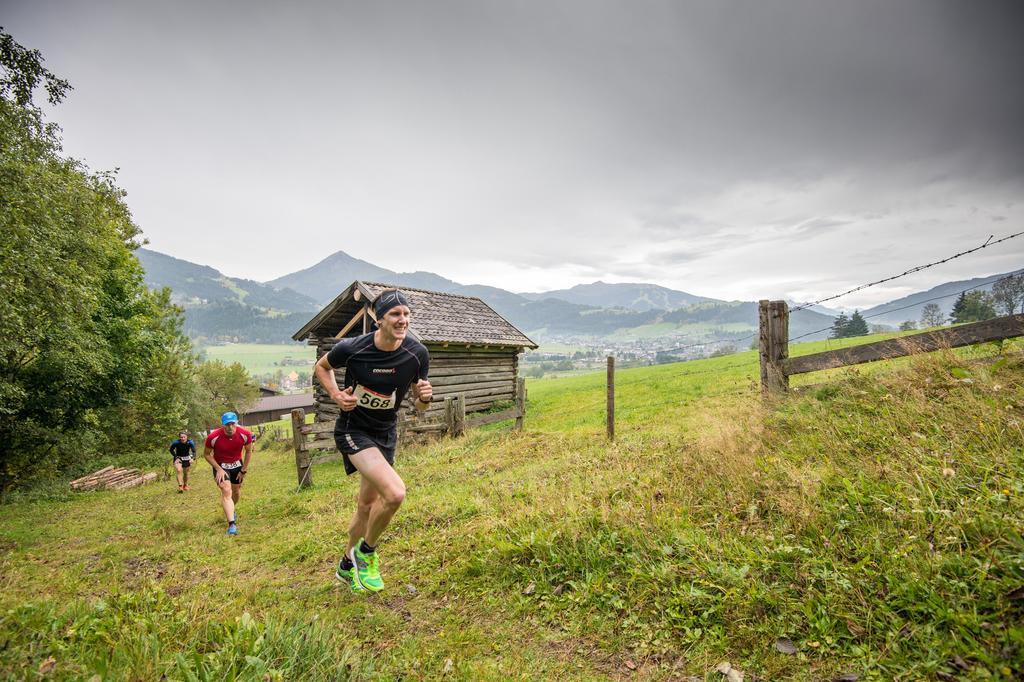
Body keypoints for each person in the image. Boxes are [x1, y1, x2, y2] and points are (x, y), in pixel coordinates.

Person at [314, 289, 432, 593]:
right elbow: (322, 367)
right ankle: (366, 553)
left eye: (406, 314)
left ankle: (345, 565)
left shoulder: (417, 354)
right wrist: (336, 395)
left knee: (366, 505)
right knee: (394, 494)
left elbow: (418, 407)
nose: (402, 320)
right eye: (395, 314)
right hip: (354, 431)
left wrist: (423, 401)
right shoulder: (353, 348)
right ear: (379, 320)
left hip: (385, 433)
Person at [203, 412, 254, 536]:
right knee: (226, 490)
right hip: (220, 467)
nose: (230, 427)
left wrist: (244, 470)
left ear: (236, 422)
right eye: (227, 425)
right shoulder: (213, 437)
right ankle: (232, 524)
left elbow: (248, 452)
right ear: (223, 425)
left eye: (232, 424)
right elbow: (206, 454)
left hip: (237, 466)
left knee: (235, 492)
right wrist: (218, 468)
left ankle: (231, 509)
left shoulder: (245, 434)